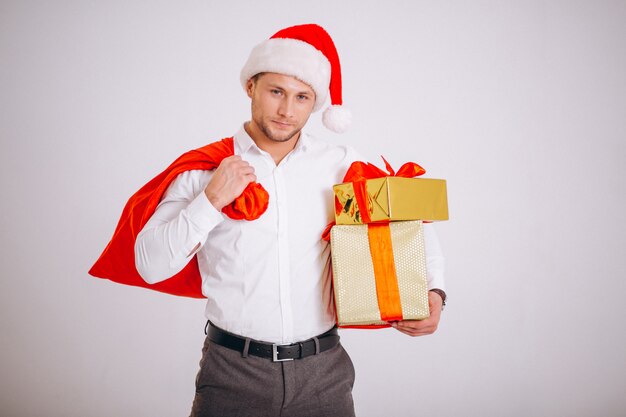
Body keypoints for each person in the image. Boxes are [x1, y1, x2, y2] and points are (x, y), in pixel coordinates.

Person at [133, 24, 446, 417]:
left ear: (315, 104)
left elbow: (410, 219)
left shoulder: (340, 165)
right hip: (232, 372)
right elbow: (149, 264)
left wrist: (434, 292)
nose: (286, 110)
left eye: (302, 97)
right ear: (251, 87)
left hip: (324, 372)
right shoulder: (203, 172)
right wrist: (211, 200)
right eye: (276, 91)